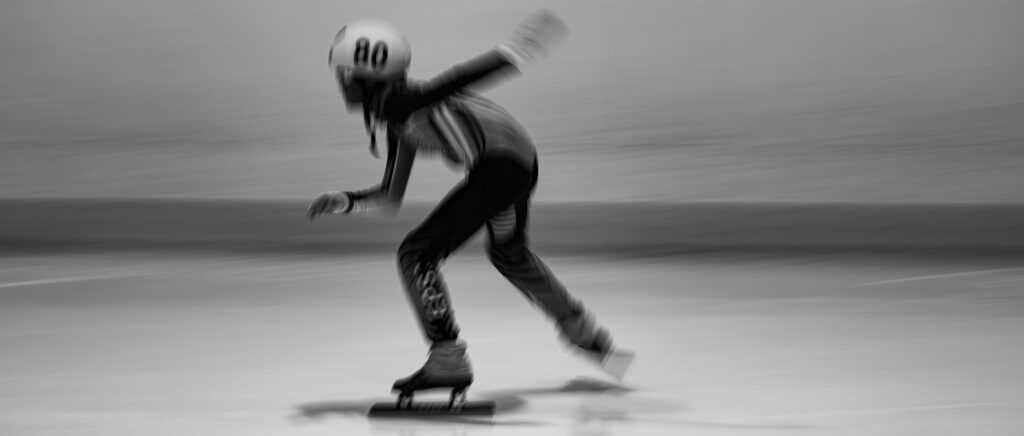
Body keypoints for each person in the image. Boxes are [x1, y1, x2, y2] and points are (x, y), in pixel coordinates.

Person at [307, 11, 629, 397]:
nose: (341, 85)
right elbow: (391, 194)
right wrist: (344, 201)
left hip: (500, 168)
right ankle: (583, 331)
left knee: (417, 254)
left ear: (368, 75)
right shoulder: (400, 115)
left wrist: (515, 51)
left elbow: (457, 79)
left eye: (344, 75)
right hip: (516, 166)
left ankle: (447, 358)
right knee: (509, 254)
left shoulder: (403, 102)